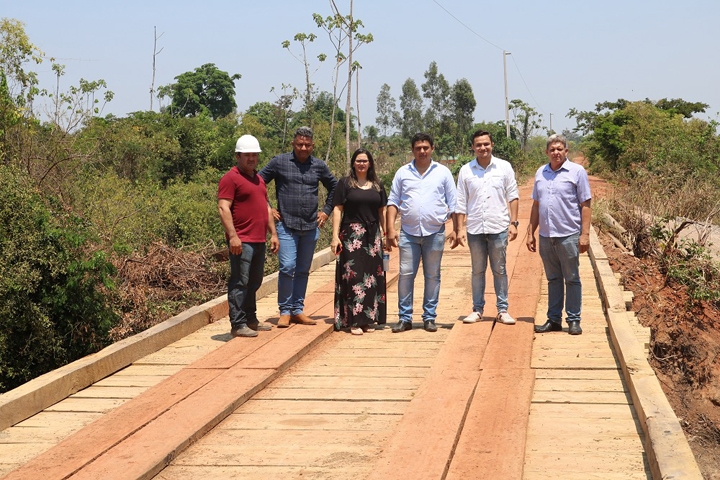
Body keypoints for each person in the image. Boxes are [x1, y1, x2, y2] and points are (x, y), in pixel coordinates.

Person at [259, 127, 338, 328]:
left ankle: (297, 310)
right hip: (286, 225)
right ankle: (284, 311)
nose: (303, 148)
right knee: (287, 268)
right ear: (293, 144)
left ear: (312, 146)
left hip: (311, 226)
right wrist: (269, 208)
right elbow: (257, 183)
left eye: (307, 145)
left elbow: (335, 187)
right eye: (300, 144)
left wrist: (326, 211)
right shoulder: (280, 162)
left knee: (303, 270)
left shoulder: (319, 166)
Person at [386, 132, 457, 333]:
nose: (422, 151)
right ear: (413, 150)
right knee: (406, 274)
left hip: (435, 233)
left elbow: (454, 204)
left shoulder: (443, 173)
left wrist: (455, 229)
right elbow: (393, 201)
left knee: (433, 276)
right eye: (418, 148)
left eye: (426, 147)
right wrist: (390, 229)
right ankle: (404, 317)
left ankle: (429, 317)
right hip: (408, 233)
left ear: (432, 149)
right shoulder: (402, 173)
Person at [527, 134, 592, 335]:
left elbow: (586, 204)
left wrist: (585, 234)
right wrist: (530, 232)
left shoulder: (577, 172)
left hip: (568, 235)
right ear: (546, 152)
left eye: (559, 149)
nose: (556, 152)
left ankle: (573, 319)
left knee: (572, 278)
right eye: (552, 149)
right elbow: (536, 205)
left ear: (566, 151)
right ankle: (553, 319)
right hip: (547, 237)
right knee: (553, 279)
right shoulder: (541, 172)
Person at [454, 130, 520, 325]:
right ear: (473, 147)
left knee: (499, 269)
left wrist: (514, 223)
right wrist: (458, 229)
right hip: (474, 228)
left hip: (498, 226)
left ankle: (502, 310)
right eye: (478, 145)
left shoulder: (504, 167)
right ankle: (477, 309)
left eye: (486, 144)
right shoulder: (466, 170)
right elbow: (460, 202)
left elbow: (513, 195)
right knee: (477, 270)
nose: (483, 148)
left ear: (492, 145)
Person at [218, 135, 280, 338]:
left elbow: (266, 207)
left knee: (254, 281)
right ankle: (237, 323)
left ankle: (251, 319)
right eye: (247, 155)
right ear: (238, 156)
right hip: (242, 240)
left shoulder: (259, 179)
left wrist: (273, 234)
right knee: (239, 281)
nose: (251, 158)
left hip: (258, 239)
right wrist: (233, 236)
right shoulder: (230, 178)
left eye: (254, 155)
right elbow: (223, 208)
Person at [330, 148, 388, 335]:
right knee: (354, 276)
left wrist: (385, 233)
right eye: (358, 160)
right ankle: (353, 321)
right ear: (353, 163)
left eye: (365, 160)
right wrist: (334, 236)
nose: (361, 163)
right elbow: (338, 209)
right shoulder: (345, 184)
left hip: (373, 236)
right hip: (351, 236)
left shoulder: (377, 185)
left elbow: (382, 211)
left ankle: (367, 320)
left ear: (370, 163)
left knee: (370, 278)